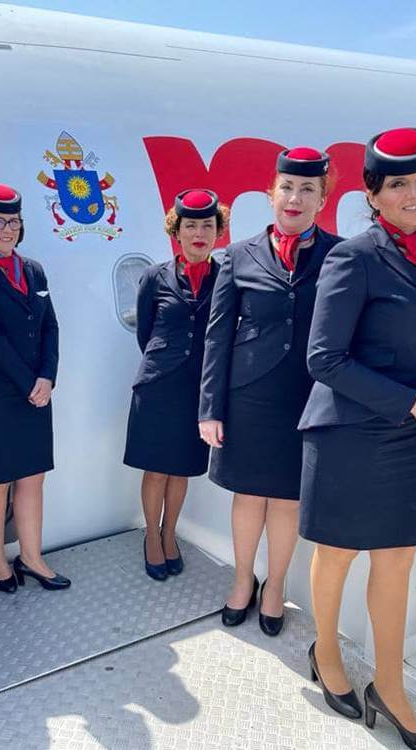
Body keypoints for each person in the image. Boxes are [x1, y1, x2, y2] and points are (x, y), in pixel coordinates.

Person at [298, 128, 416, 750]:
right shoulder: (354, 257)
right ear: (373, 195)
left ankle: (391, 687)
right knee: (340, 553)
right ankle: (326, 654)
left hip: (410, 429)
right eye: (399, 183)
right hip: (349, 429)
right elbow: (323, 359)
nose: (415, 192)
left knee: (397, 562)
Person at [199, 148, 341, 635]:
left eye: (307, 189)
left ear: (323, 198)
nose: (294, 198)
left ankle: (275, 586)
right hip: (249, 395)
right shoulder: (239, 255)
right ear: (270, 194)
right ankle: (243, 581)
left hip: (306, 394)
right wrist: (210, 408)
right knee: (248, 496)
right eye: (286, 188)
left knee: (286, 499)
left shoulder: (339, 255)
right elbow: (217, 336)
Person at [0, 184, 68, 593]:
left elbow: (51, 326)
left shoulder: (34, 270)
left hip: (35, 391)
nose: (7, 229)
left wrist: (48, 376)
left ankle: (33, 557)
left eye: (14, 221)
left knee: (32, 478)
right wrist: (29, 383)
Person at [125, 189, 228, 580]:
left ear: (217, 231)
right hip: (158, 386)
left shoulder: (225, 278)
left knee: (182, 470)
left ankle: (171, 534)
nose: (198, 233)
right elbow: (146, 333)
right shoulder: (154, 277)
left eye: (206, 225)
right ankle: (152, 535)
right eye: (190, 226)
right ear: (177, 231)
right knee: (156, 469)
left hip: (198, 389)